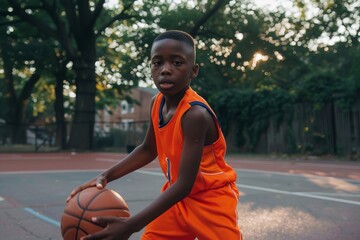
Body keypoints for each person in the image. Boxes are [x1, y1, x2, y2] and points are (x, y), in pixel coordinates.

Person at [67, 30, 243, 240]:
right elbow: (149, 149)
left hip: (211, 200)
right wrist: (105, 176)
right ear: (150, 67)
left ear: (193, 71)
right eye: (157, 62)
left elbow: (185, 184)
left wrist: (130, 225)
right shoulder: (156, 103)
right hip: (176, 199)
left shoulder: (195, 115)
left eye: (177, 63)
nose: (166, 70)